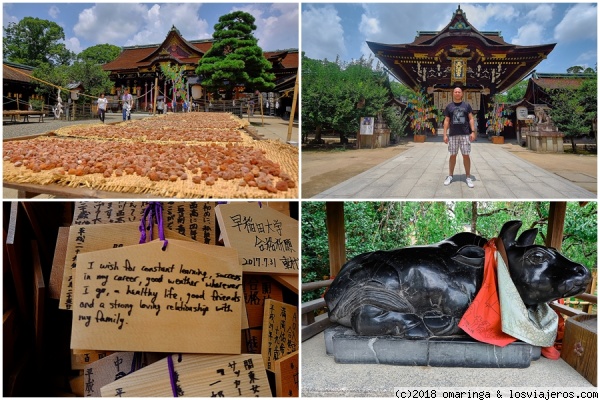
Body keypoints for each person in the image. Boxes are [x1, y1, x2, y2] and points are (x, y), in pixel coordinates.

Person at [443, 85, 476, 188]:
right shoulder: (449, 107)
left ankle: (468, 177)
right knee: (452, 155)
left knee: (466, 155)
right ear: (453, 94)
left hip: (465, 134)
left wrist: (473, 131)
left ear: (462, 94)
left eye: (459, 92)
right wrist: (445, 134)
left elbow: (471, 119)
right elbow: (447, 121)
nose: (457, 93)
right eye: (455, 92)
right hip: (453, 134)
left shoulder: (466, 106)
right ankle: (450, 176)